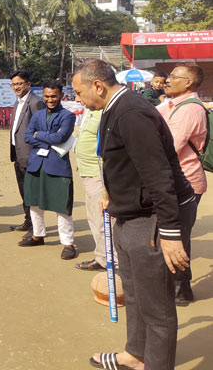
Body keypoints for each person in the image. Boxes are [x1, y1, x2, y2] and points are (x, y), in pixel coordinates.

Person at [73, 59, 195, 370]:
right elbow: (123, 160)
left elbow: (158, 175)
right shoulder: (112, 109)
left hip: (151, 219)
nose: (77, 98)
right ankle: (136, 354)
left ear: (97, 86)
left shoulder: (132, 112)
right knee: (136, 296)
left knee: (156, 306)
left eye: (78, 92)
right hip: (128, 215)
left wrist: (169, 233)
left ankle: (156, 364)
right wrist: (110, 191)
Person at [158, 63, 207, 307]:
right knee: (173, 234)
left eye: (173, 77)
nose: (167, 80)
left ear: (188, 82)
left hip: (185, 182)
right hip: (176, 180)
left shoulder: (188, 110)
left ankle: (181, 288)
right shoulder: (171, 105)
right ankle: (176, 284)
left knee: (177, 236)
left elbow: (169, 147)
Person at [18, 80, 77, 260]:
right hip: (36, 164)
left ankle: (68, 243)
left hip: (57, 166)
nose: (50, 99)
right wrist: (49, 138)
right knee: (34, 202)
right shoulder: (38, 115)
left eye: (54, 96)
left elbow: (61, 137)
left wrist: (40, 135)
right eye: (47, 96)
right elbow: (28, 137)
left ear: (61, 95)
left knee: (62, 206)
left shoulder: (68, 116)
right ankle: (38, 235)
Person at [73, 107, 115, 271]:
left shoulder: (105, 113)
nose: (77, 99)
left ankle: (109, 261)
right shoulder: (89, 111)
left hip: (98, 174)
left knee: (102, 220)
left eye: (80, 93)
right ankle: (102, 256)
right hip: (86, 173)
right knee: (93, 217)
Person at [8, 69, 45, 237]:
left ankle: (35, 228)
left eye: (20, 83)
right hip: (18, 154)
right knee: (23, 191)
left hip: (31, 156)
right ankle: (28, 221)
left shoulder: (35, 103)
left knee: (32, 193)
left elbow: (42, 130)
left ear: (28, 84)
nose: (17, 87)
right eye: (14, 84)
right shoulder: (17, 102)